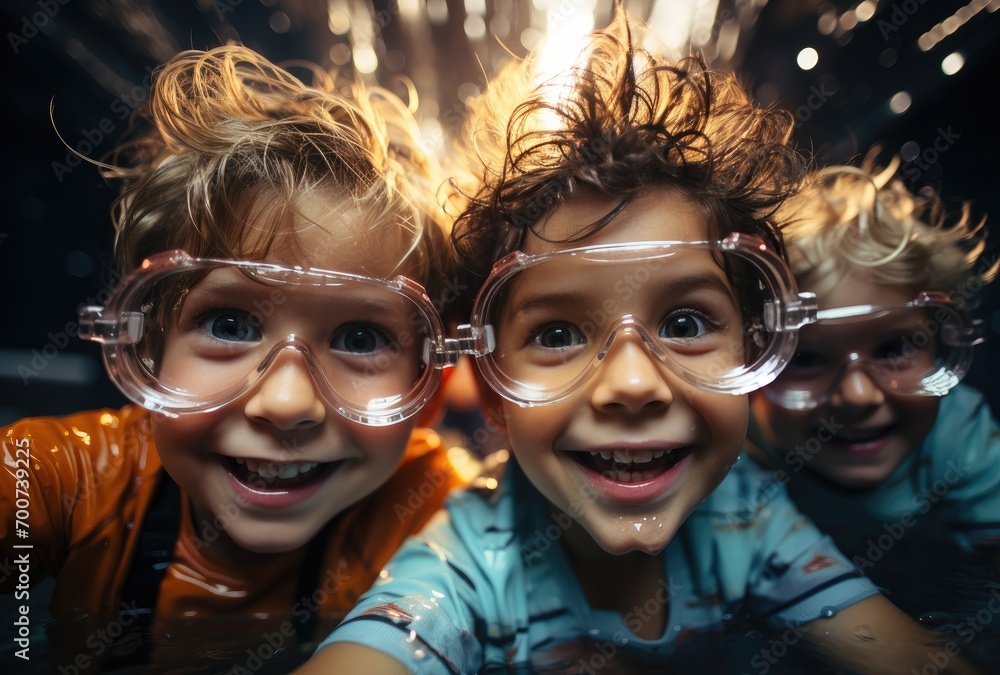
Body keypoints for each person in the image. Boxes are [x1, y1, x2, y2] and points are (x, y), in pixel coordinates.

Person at [298, 9, 984, 675]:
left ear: (753, 357)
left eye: (685, 324)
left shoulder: (744, 514)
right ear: (494, 392)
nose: (632, 384)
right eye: (559, 333)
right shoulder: (468, 564)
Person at [0, 45, 475, 673]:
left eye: (360, 338)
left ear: (429, 391)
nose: (286, 403)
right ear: (148, 351)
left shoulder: (431, 505)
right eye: (230, 324)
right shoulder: (71, 479)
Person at [746, 155, 1000, 582]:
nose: (859, 396)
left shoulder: (960, 436)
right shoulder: (740, 447)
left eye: (894, 348)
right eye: (805, 358)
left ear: (938, 343)